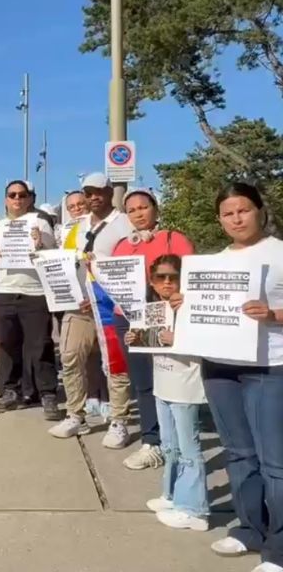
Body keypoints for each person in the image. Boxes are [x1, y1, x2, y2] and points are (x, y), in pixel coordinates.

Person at [189, 183, 283, 568]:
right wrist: (185, 303)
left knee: (274, 460)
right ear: (220, 220)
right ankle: (249, 529)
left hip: (269, 366)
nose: (236, 219)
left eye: (243, 210)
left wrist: (274, 315)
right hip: (220, 365)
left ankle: (279, 545)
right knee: (238, 452)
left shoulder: (279, 253)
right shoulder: (213, 262)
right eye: (228, 213)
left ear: (260, 211)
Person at [123, 254, 209, 532]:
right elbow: (152, 343)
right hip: (162, 384)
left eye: (173, 276)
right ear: (152, 281)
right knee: (169, 446)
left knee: (189, 449)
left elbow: (208, 342)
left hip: (186, 387)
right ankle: (171, 495)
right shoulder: (153, 309)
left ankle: (195, 510)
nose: (167, 282)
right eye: (161, 277)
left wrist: (180, 336)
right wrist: (135, 339)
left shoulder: (194, 307)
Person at [111, 187, 195, 470]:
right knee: (144, 381)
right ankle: (152, 442)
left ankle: (178, 443)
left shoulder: (175, 239)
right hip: (130, 318)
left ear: (156, 209)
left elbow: (192, 278)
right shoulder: (122, 245)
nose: (138, 214)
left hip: (167, 317)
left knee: (173, 380)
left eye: (143, 207)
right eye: (131, 210)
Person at [48, 173, 135, 446]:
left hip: (111, 306)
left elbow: (130, 269)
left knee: (115, 364)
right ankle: (76, 415)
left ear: (110, 192)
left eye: (99, 191)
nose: (93, 197)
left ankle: (119, 420)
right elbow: (65, 260)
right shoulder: (76, 225)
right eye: (88, 192)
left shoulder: (125, 223)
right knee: (70, 356)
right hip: (78, 304)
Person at [0, 181, 60, 419]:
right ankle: (10, 390)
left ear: (29, 199)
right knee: (6, 345)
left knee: (40, 345)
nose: (17, 199)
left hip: (34, 292)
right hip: (4, 292)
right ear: (6, 200)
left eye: (22, 195)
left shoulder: (39, 222)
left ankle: (47, 394)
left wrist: (40, 244)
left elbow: (52, 256)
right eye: (12, 195)